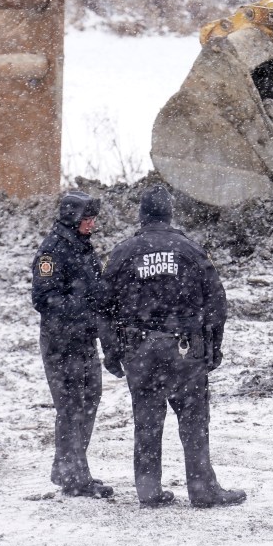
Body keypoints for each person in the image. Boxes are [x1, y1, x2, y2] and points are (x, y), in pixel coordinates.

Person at [101, 185, 245, 508]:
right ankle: (202, 489)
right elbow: (217, 303)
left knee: (147, 421)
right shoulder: (190, 250)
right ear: (169, 214)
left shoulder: (123, 253)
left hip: (139, 352)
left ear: (142, 215)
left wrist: (111, 351)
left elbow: (103, 306)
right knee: (193, 420)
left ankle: (149, 490)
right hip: (183, 351)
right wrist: (213, 348)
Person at [31, 190, 114, 499]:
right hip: (61, 342)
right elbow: (44, 298)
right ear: (72, 218)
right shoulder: (52, 251)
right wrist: (85, 305)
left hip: (83, 340)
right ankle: (74, 476)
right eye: (87, 219)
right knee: (71, 408)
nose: (92, 225)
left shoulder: (82, 248)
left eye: (92, 219)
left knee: (89, 399)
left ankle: (66, 468)